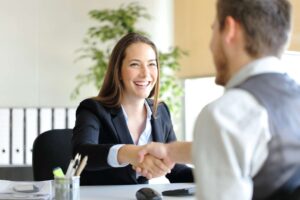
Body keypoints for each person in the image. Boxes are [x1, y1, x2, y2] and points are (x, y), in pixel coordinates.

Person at [138, 0, 300, 199]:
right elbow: (251, 148)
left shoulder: (224, 115)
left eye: (214, 30)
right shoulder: (293, 100)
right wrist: (170, 151)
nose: (210, 45)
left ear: (230, 30)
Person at [72, 32, 193, 185]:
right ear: (118, 72)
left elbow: (177, 170)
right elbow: (81, 153)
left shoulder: (160, 111)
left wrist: (213, 177)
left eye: (151, 64)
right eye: (135, 64)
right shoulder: (93, 109)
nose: (145, 73)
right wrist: (130, 153)